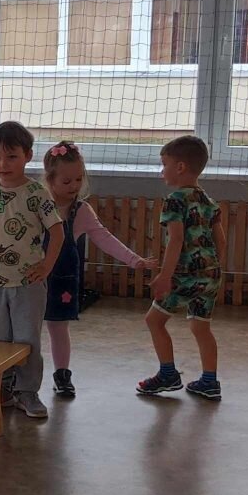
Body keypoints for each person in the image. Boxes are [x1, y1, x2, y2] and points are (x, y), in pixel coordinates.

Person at [0, 121, 64, 418]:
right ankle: (1, 389)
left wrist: (46, 266)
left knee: (26, 340)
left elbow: (57, 233)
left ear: (27, 156)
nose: (3, 165)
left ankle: (27, 392)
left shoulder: (37, 194)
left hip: (27, 284)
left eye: (11, 157)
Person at [42, 142, 158, 397]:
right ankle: (19, 378)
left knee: (58, 328)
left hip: (61, 280)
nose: (74, 186)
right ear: (49, 180)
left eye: (79, 179)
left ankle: (62, 374)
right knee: (25, 329)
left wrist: (133, 260)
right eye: (66, 181)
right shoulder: (35, 205)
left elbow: (104, 238)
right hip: (32, 278)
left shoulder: (81, 211)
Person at [137, 135, 226, 401]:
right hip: (211, 274)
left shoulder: (175, 200)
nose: (161, 170)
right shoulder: (209, 201)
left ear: (180, 167)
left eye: (164, 164)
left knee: (154, 320)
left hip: (185, 275)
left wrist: (165, 276)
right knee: (201, 328)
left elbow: (176, 239)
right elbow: (221, 241)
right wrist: (213, 270)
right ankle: (209, 381)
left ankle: (168, 374)